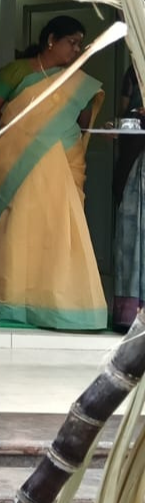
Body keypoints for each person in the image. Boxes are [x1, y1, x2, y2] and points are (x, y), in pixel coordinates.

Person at [0, 16, 106, 331]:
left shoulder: (77, 79)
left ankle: (62, 305)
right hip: (20, 161)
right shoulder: (17, 72)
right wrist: (22, 134)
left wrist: (50, 129)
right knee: (18, 228)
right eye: (71, 42)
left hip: (64, 159)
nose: (76, 50)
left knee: (62, 229)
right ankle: (10, 301)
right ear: (50, 40)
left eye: (79, 44)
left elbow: (82, 120)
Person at [112, 68, 144, 332]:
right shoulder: (134, 71)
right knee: (131, 235)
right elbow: (126, 113)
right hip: (135, 164)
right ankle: (131, 314)